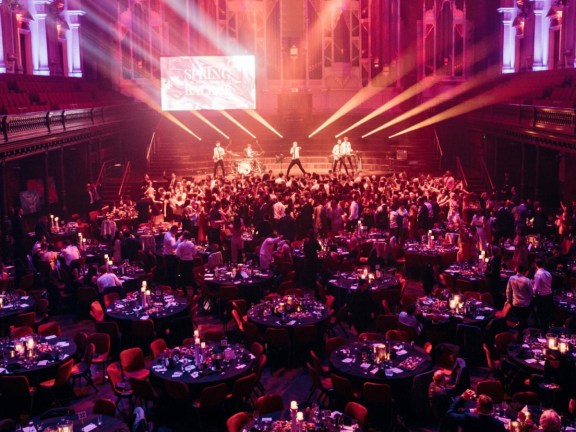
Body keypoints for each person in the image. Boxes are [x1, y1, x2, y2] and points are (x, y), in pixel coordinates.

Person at [505, 264, 533, 333]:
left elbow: (508, 290)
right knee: (524, 318)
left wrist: (508, 300)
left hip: (516, 303)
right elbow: (531, 293)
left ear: (516, 270)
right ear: (524, 271)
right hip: (525, 304)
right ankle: (522, 332)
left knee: (520, 318)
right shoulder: (527, 280)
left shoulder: (511, 278)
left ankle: (519, 329)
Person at [533, 258, 553, 329]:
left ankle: (541, 329)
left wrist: (531, 293)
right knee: (547, 314)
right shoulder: (548, 273)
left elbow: (536, 288)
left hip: (542, 297)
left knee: (541, 314)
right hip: (550, 295)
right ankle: (547, 328)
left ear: (536, 265)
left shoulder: (538, 274)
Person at [176, 230, 198, 296]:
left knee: (183, 277)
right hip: (190, 262)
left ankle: (185, 293)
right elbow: (195, 253)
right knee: (191, 276)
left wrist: (183, 255)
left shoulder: (180, 245)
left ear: (183, 236)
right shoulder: (191, 244)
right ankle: (195, 291)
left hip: (183, 262)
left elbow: (178, 255)